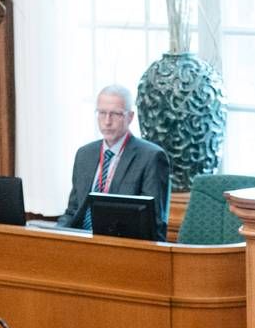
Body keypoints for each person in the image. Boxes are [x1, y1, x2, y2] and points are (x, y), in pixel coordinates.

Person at [55, 84, 171, 239]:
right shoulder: (84, 154)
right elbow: (73, 211)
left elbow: (153, 224)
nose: (107, 121)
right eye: (102, 113)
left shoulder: (151, 157)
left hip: (122, 244)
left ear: (130, 117)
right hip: (81, 240)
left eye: (115, 114)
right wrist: (54, 234)